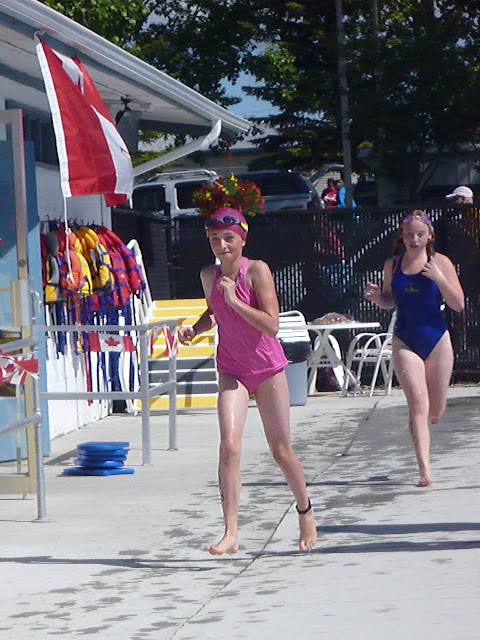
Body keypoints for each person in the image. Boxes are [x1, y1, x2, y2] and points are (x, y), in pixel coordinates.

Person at [177, 207, 317, 555]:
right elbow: (214, 312)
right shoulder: (208, 275)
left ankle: (305, 511)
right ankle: (231, 533)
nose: (222, 245)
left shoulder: (256, 271)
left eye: (229, 238)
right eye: (215, 240)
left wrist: (234, 300)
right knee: (229, 445)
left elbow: (271, 325)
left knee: (281, 451)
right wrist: (194, 329)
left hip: (267, 369)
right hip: (231, 369)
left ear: (242, 239)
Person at [363, 211, 464, 487]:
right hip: (405, 339)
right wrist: (377, 298)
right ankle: (424, 469)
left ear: (429, 235)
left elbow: (458, 304)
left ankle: (432, 421)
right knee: (418, 404)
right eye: (409, 234)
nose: (415, 239)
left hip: (437, 339)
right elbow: (389, 300)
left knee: (435, 410)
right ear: (402, 236)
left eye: (420, 234)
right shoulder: (393, 264)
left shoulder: (440, 262)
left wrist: (439, 279)